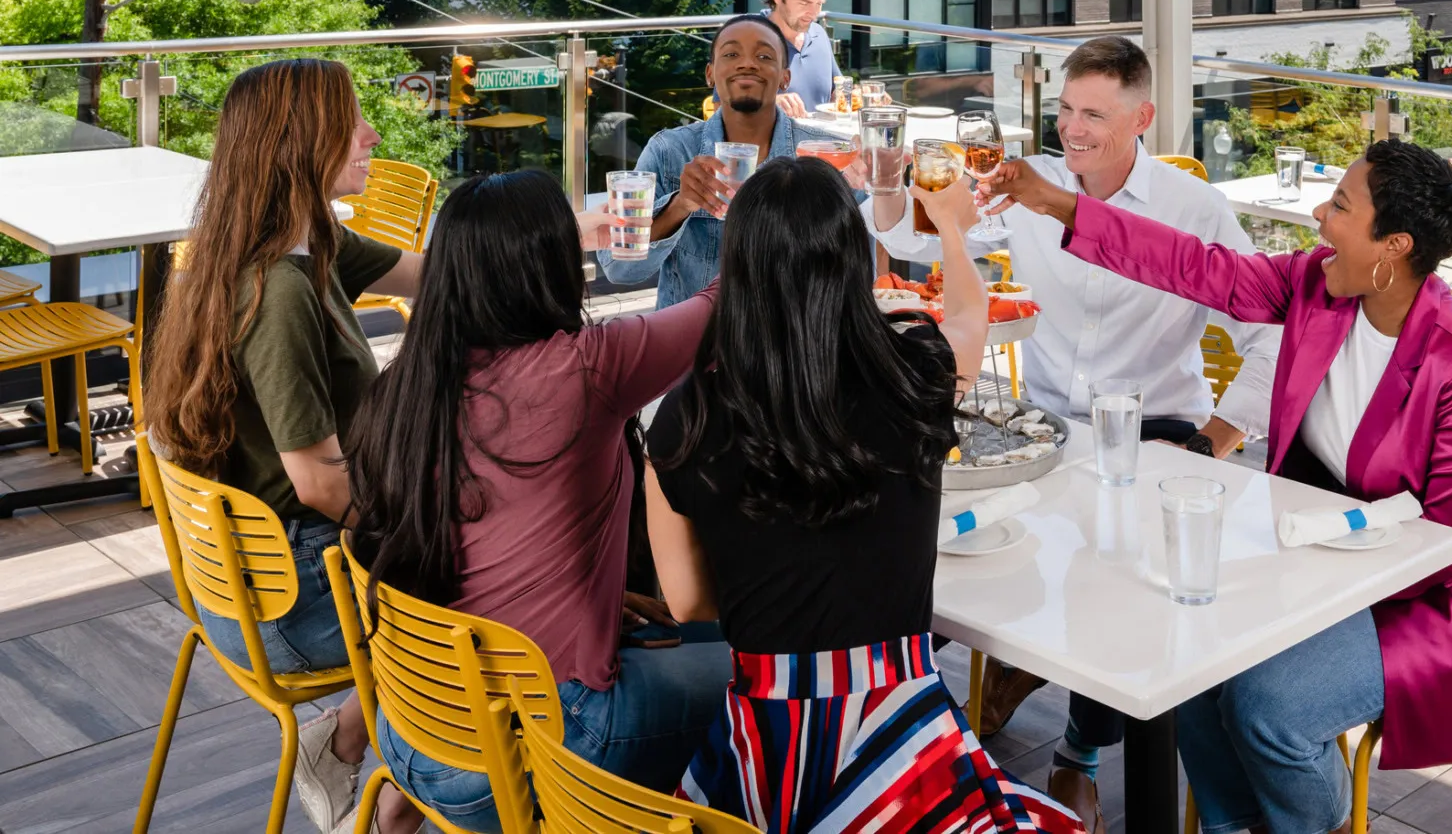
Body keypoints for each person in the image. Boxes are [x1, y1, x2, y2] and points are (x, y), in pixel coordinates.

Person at [980, 140, 1452, 834]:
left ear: (1394, 247)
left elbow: (1451, 542)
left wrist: (1298, 592)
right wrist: (1055, 202)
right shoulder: (1318, 284)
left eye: (1341, 206)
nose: (1320, 214)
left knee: (1268, 704)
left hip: (1444, 594)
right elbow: (1195, 266)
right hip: (1324, 556)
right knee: (1190, 664)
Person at [865, 36, 1278, 831]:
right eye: (1064, 109)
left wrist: (1213, 440)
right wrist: (889, 180)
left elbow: (1268, 334)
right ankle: (972, 716)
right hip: (1047, 432)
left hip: (1157, 430)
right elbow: (916, 243)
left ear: (1142, 118)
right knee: (945, 550)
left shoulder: (1195, 211)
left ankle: (1076, 752)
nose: (1073, 129)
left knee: (1115, 579)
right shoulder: (1030, 187)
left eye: (1093, 113)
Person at [644, 157, 1082, 834]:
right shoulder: (912, 376)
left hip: (764, 741)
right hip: (906, 729)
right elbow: (971, 318)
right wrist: (953, 232)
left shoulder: (683, 418)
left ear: (736, 269)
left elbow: (687, 601)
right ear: (852, 265)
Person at [343, 170, 732, 834]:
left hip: (413, 728)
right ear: (549, 266)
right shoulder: (586, 368)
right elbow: (721, 305)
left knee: (670, 631)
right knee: (767, 671)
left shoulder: (407, 385)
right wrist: (753, 220)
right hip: (535, 747)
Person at [145, 59, 422, 834]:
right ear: (304, 142)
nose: (371, 134)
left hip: (241, 582)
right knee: (502, 599)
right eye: (353, 121)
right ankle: (389, 798)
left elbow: (438, 278)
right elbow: (324, 486)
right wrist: (427, 534)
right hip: (293, 600)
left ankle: (364, 755)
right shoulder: (281, 289)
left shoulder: (302, 241)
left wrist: (601, 226)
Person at [600, 13, 848, 307]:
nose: (747, 63)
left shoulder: (822, 153)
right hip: (698, 344)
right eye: (731, 54)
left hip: (791, 341)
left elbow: (860, 256)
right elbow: (619, 268)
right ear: (710, 74)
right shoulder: (670, 151)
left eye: (764, 56)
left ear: (785, 78)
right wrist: (680, 206)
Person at [763, 0, 842, 117]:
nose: (813, 14)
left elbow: (838, 92)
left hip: (823, 140)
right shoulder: (747, 37)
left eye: (819, 4)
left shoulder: (819, 34)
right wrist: (769, 103)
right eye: (804, 3)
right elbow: (723, 110)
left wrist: (860, 96)